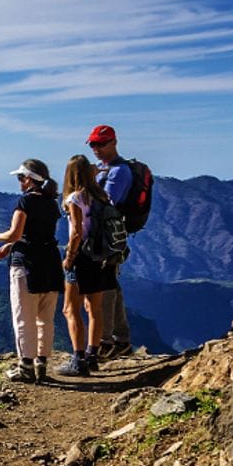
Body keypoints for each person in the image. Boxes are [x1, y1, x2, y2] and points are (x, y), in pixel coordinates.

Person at [0, 159, 64, 382]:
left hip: (27, 264)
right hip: (50, 262)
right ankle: (41, 364)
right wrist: (11, 246)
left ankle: (25, 367)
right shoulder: (51, 203)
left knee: (24, 316)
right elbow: (39, 234)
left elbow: (15, 233)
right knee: (45, 318)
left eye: (21, 178)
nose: (19, 182)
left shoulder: (25, 202)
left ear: (29, 179)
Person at [58, 153, 107, 377]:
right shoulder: (102, 196)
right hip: (99, 256)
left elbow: (77, 231)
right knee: (94, 308)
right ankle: (93, 356)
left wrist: (69, 257)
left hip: (81, 257)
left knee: (70, 309)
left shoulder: (75, 198)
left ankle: (78, 360)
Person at [87, 124, 133, 359]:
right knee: (111, 286)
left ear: (114, 142)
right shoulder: (106, 170)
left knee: (103, 288)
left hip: (107, 240)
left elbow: (107, 202)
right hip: (106, 238)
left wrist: (88, 184)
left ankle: (105, 342)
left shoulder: (118, 172)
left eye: (100, 144)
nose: (96, 149)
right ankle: (121, 340)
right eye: (93, 144)